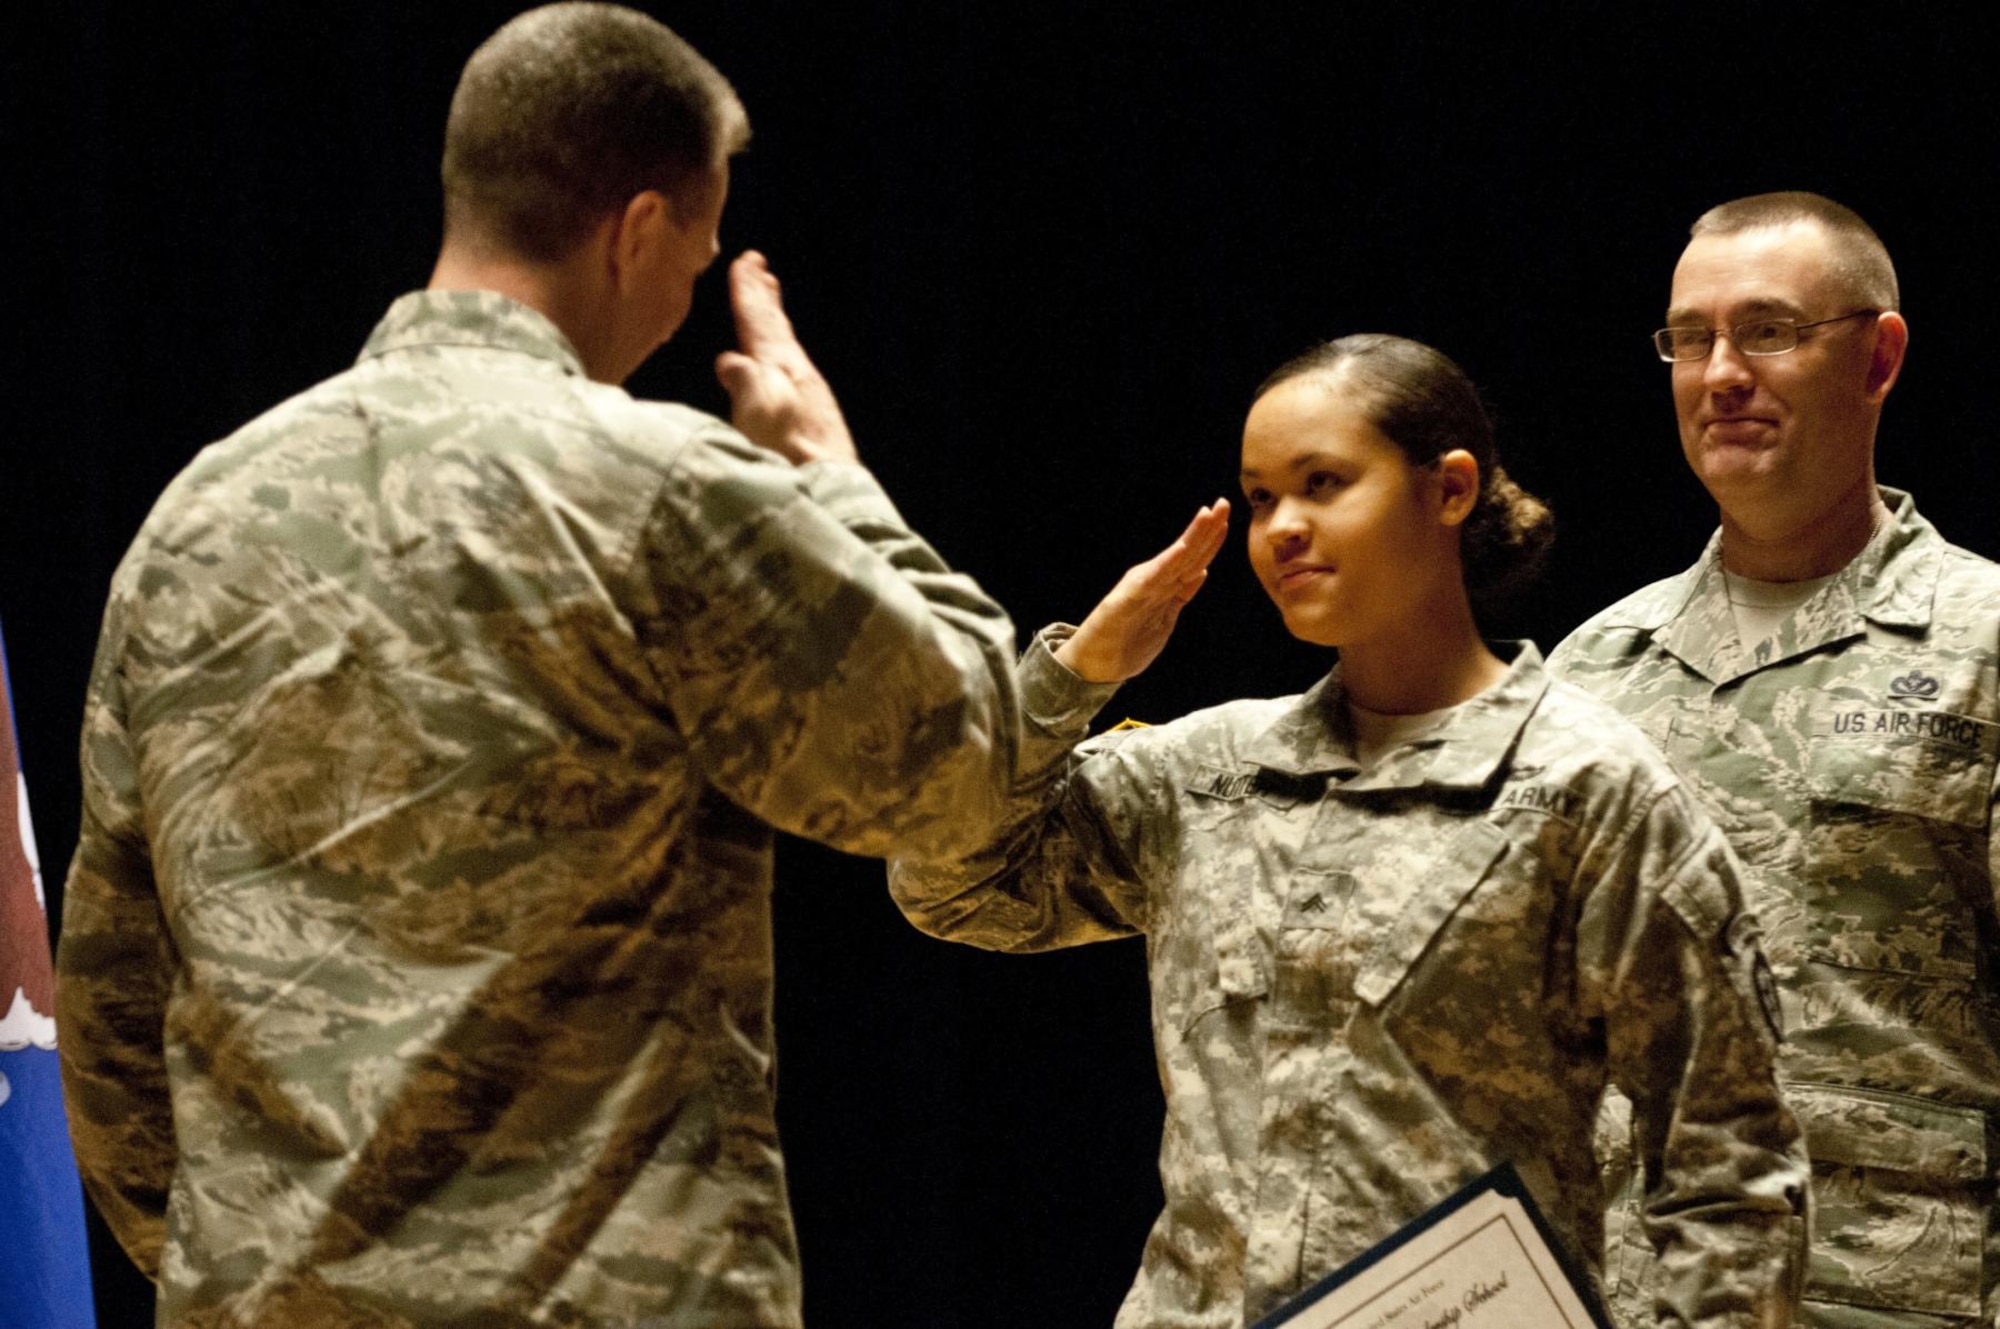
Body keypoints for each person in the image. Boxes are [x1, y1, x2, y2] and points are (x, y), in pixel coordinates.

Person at [55, 6, 1019, 1326]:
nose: (690, 295)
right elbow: (966, 770)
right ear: (634, 229)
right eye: (697, 243)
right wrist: (831, 477)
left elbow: (110, 1015)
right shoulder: (659, 487)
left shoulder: (190, 525)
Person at [889, 333, 1808, 1328]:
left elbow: (1730, 1170)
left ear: (1447, 489)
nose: (1282, 527)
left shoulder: (1584, 789)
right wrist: (1073, 678)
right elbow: (950, 883)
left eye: (1322, 484)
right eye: (1259, 499)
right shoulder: (1208, 775)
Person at [1551, 191, 2000, 1327]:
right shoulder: (1592, 670)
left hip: (1885, 1295)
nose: (1718, 374)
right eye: (1688, 337)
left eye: (1766, 331)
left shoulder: (1982, 641)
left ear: (1877, 356)